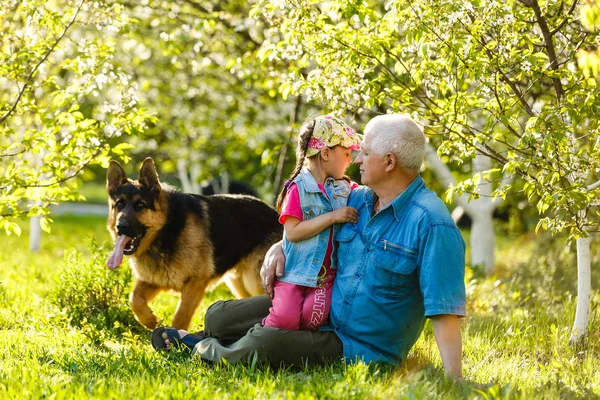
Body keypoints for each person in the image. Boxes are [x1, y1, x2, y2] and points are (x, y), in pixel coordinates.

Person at [151, 114, 466, 378]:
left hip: (357, 345)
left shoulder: (432, 223)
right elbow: (304, 223)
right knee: (219, 316)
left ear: (388, 162)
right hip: (318, 306)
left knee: (267, 344)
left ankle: (199, 347)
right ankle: (210, 335)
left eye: (365, 153)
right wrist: (280, 247)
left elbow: (444, 310)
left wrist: (454, 380)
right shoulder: (355, 199)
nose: (357, 159)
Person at [263, 115, 361, 331]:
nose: (350, 159)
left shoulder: (343, 189)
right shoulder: (298, 188)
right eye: (346, 153)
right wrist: (333, 217)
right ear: (326, 153)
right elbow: (293, 232)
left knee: (313, 319)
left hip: (324, 278)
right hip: (294, 273)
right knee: (283, 320)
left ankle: (301, 353)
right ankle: (260, 342)